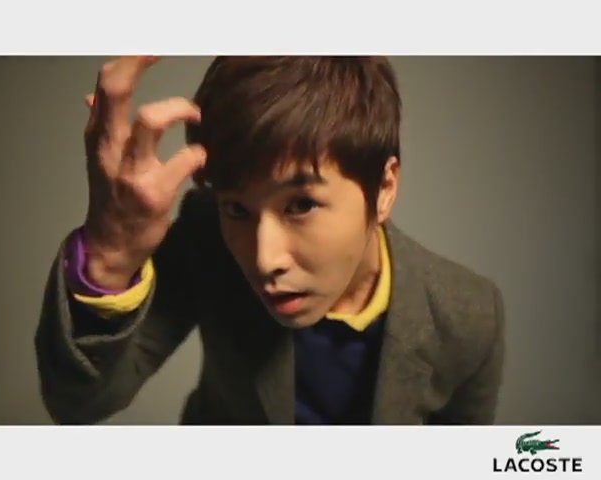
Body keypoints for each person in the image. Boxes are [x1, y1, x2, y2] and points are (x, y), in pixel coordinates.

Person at [35, 56, 506, 425]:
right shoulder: (206, 239)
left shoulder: (469, 316)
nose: (264, 259)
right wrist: (112, 258)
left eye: (300, 205)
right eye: (237, 209)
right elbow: (79, 403)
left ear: (384, 188)